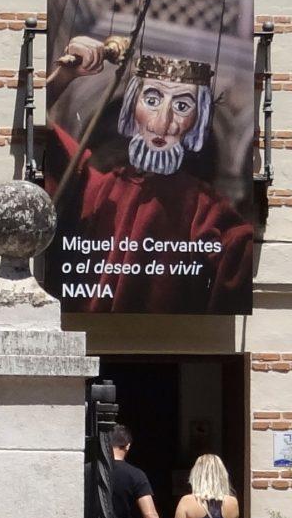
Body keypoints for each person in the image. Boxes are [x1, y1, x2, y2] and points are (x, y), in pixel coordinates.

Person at [39, 31, 257, 314]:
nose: (162, 121)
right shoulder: (95, 188)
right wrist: (65, 76)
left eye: (181, 106)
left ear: (197, 119)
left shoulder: (208, 213)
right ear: (132, 106)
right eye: (152, 99)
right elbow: (37, 131)